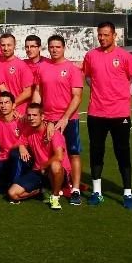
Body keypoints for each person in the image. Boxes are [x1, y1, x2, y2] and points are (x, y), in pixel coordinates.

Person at [83, 21, 132, 208]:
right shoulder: (91, 55)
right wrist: (100, 93)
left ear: (115, 36)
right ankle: (97, 192)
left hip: (119, 114)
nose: (102, 38)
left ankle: (127, 193)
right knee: (96, 152)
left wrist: (123, 96)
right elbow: (88, 77)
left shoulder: (125, 56)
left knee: (122, 152)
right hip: (96, 113)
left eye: (106, 35)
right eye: (100, 35)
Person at [32, 35, 84, 205]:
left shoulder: (72, 69)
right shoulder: (42, 67)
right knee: (50, 155)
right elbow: (38, 92)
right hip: (48, 120)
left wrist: (65, 118)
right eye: (52, 47)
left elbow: (77, 97)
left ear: (64, 48)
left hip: (68, 120)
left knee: (73, 152)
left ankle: (75, 190)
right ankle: (55, 186)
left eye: (58, 47)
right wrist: (35, 112)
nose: (54, 50)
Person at [9, 103, 69, 210]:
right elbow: (15, 145)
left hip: (54, 171)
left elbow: (59, 156)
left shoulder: (53, 133)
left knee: (55, 165)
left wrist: (44, 166)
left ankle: (55, 197)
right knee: (12, 194)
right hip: (38, 171)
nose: (31, 118)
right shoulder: (28, 131)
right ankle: (40, 190)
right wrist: (21, 146)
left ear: (42, 117)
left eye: (35, 115)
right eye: (29, 115)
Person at [0, 33, 34, 114]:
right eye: (3, 45)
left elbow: (28, 92)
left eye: (9, 45)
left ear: (15, 45)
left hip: (18, 112)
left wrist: (12, 105)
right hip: (1, 111)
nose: (6, 48)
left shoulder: (21, 66)